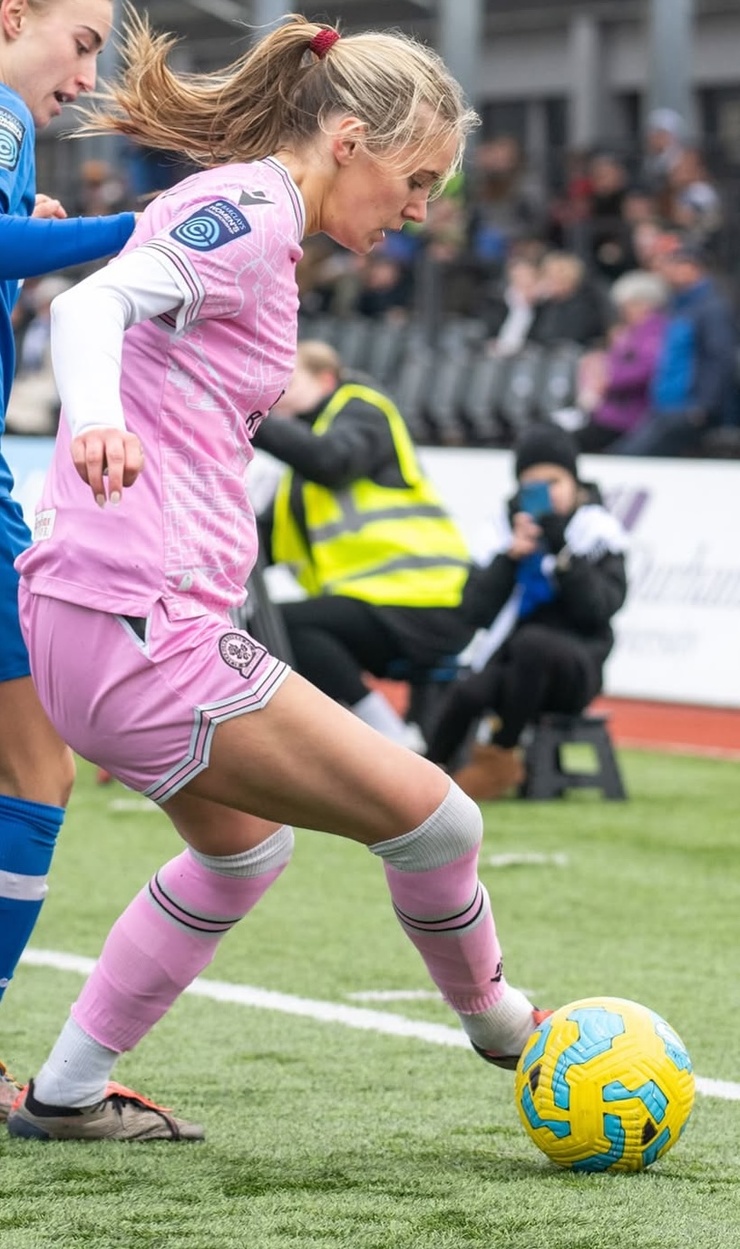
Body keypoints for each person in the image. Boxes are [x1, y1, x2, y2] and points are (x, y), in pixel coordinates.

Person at [9, 11, 548, 1144]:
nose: (420, 210)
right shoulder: (255, 211)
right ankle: (513, 1031)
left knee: (242, 851)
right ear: (348, 139)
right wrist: (97, 420)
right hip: (140, 618)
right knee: (440, 823)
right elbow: (92, 306)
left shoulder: (256, 217)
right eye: (417, 180)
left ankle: (65, 1093)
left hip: (102, 617)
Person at [0, 0, 137, 1119]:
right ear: (12, 18)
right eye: (83, 42)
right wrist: (145, 230)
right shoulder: (1, 111)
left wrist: (25, 231)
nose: (88, 75)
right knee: (34, 773)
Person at [253, 338, 475, 751]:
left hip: (431, 599)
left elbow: (332, 461)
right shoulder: (297, 477)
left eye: (288, 382)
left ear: (326, 379)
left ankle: (389, 739)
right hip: (379, 604)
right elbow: (260, 543)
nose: (275, 395)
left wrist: (250, 418)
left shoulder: (362, 408)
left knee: (282, 625)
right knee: (264, 626)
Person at [424, 426, 628, 802]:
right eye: (533, 484)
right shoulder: (501, 531)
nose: (547, 493)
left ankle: (502, 754)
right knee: (468, 691)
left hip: (577, 666)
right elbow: (474, 612)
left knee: (533, 643)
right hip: (513, 662)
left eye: (555, 482)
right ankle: (428, 773)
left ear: (574, 481)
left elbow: (598, 610)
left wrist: (562, 552)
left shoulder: (598, 531)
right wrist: (509, 560)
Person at [608, 239, 737, 457]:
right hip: (666, 408)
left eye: (678, 264)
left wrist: (704, 407)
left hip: (689, 409)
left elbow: (720, 359)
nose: (671, 271)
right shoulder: (679, 306)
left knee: (630, 456)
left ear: (694, 267)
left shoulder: (712, 308)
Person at [571, 270, 669, 453]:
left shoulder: (654, 332)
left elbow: (645, 368)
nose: (624, 312)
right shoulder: (631, 332)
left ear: (645, 304)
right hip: (613, 412)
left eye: (628, 305)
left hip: (631, 414)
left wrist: (607, 378)